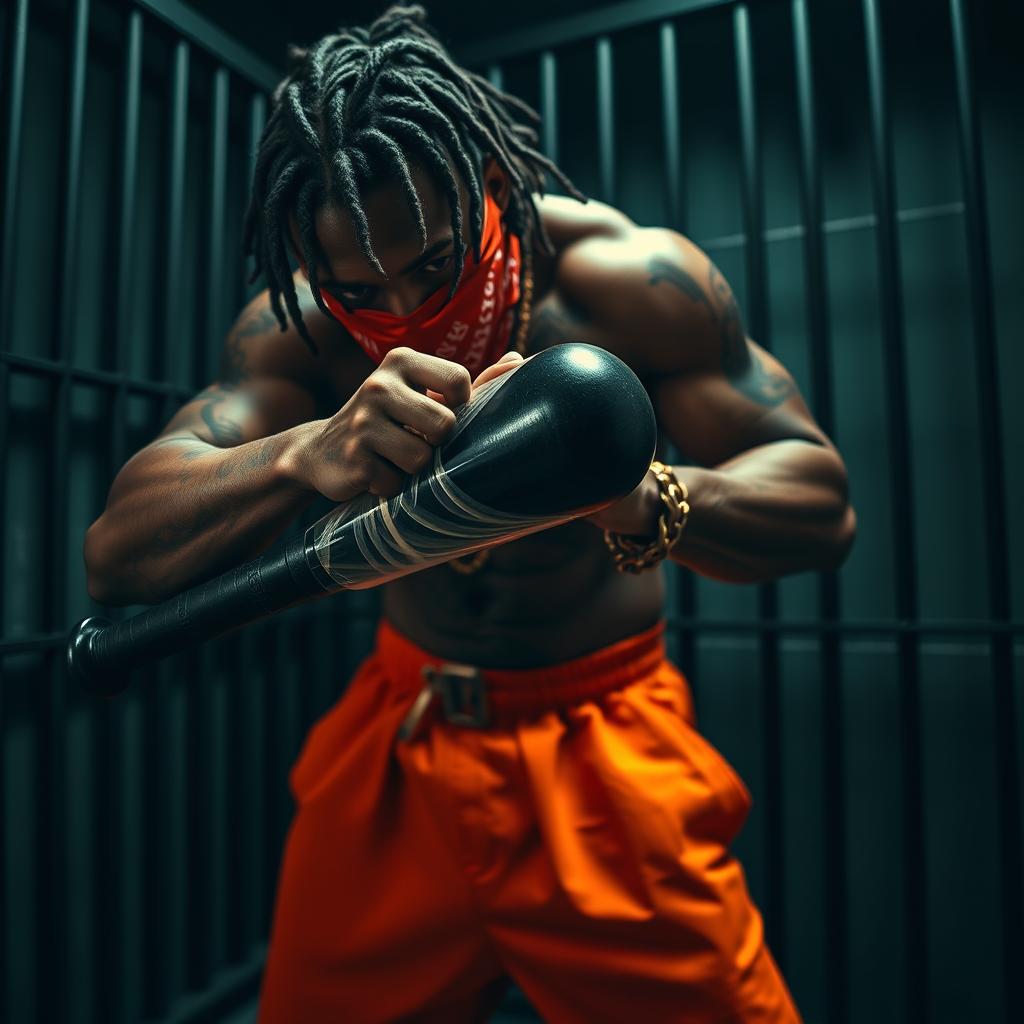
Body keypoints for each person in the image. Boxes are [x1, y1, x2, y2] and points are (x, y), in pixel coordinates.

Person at [84, 5, 855, 1020]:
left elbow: (818, 500)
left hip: (602, 750)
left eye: (437, 268)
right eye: (362, 287)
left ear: (494, 190)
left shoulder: (624, 283)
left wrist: (633, 491)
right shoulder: (303, 331)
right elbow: (119, 554)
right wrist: (303, 451)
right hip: (400, 742)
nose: (408, 314)